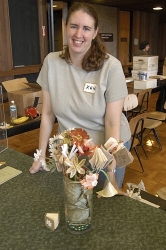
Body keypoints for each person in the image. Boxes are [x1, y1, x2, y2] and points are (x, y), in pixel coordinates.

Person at [29, 2, 131, 194]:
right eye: (74, 26)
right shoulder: (52, 62)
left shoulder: (111, 67)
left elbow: (112, 123)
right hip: (72, 149)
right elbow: (48, 114)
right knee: (75, 198)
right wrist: (40, 155)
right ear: (66, 27)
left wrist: (110, 174)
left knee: (105, 201)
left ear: (94, 33)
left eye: (86, 28)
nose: (78, 34)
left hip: (107, 147)